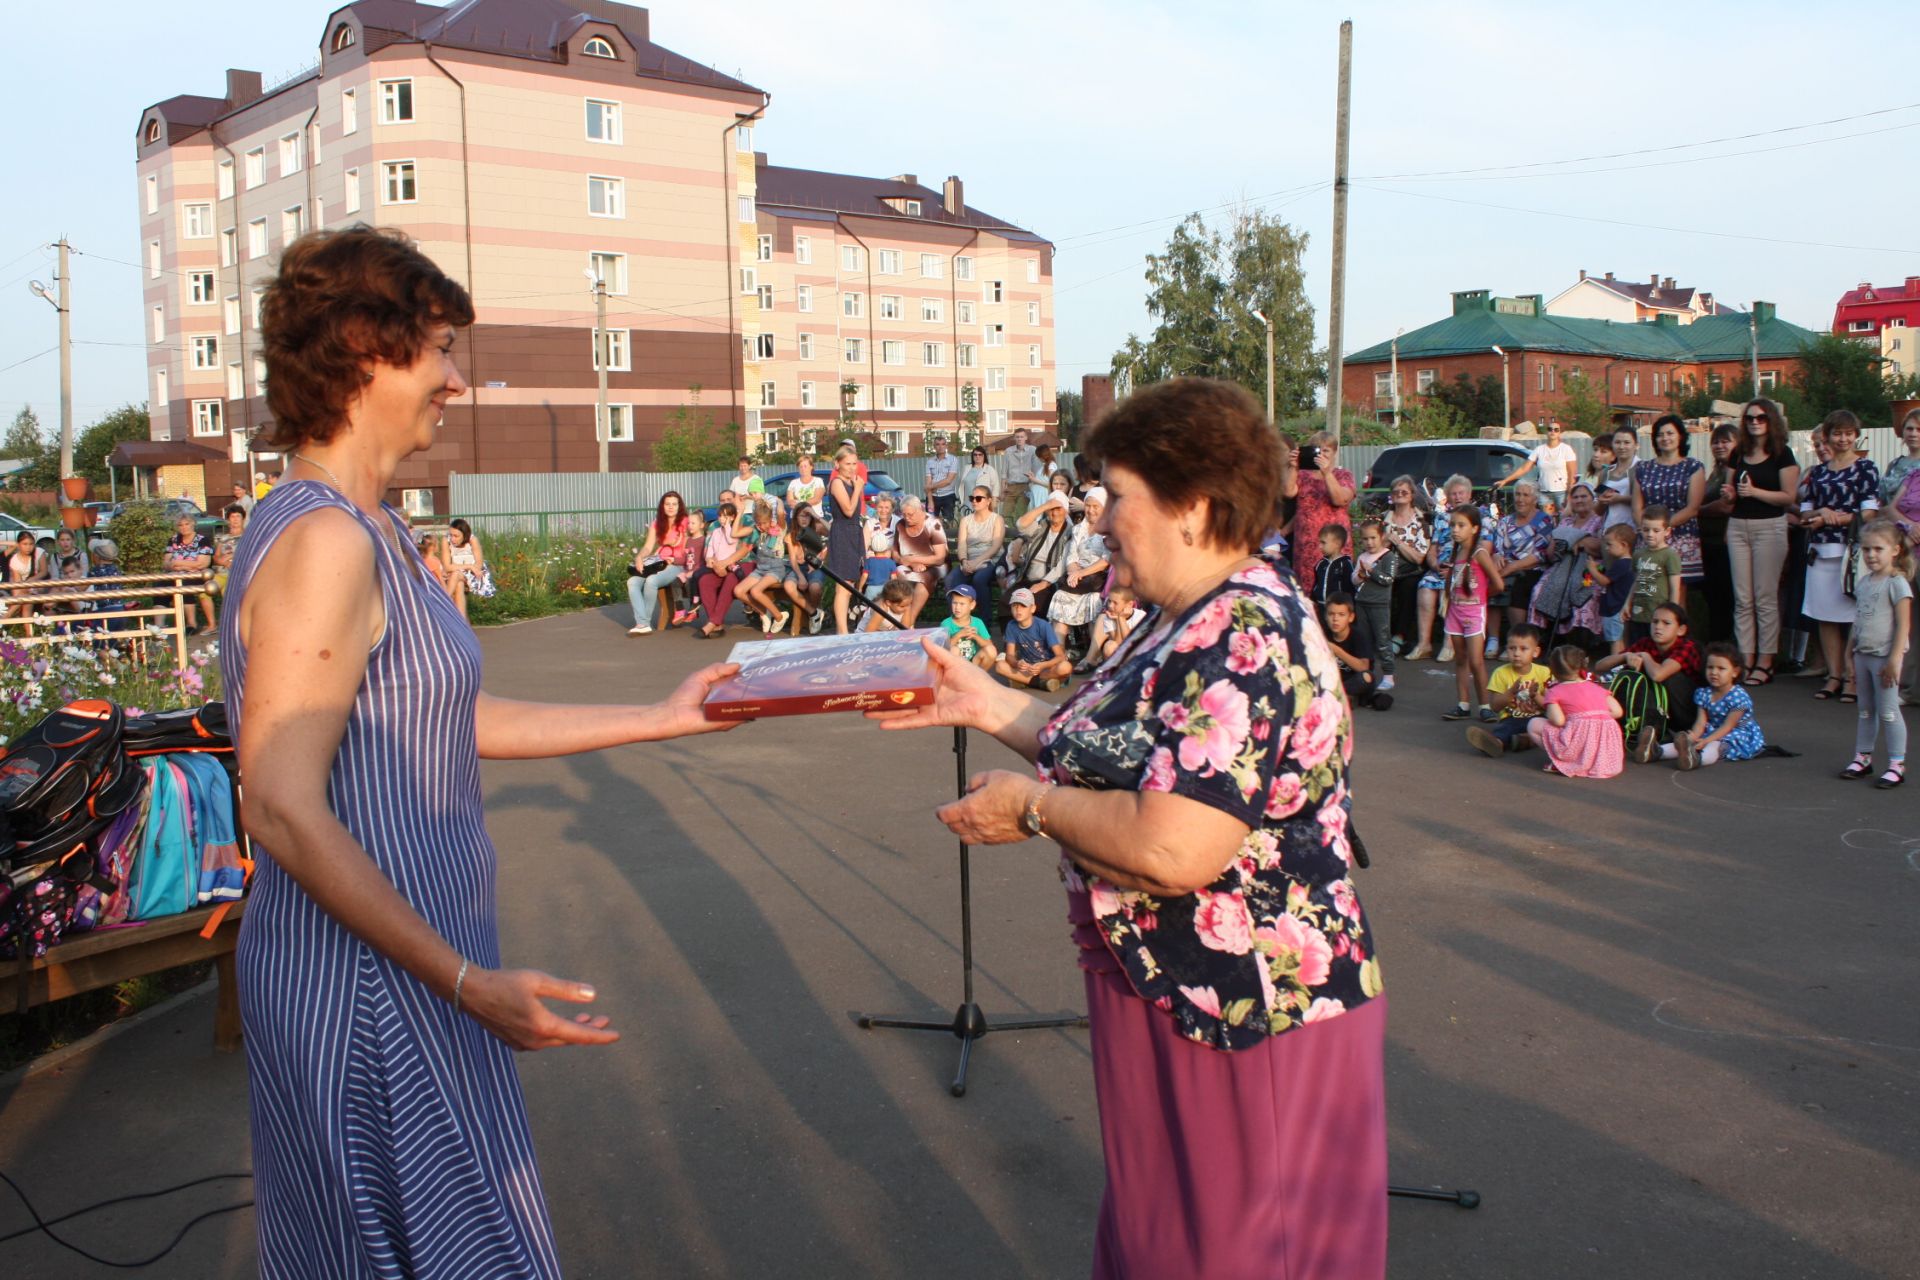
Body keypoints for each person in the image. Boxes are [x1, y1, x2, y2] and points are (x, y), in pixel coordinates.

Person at [228, 225, 742, 1278]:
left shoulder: (372, 531)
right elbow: (278, 802)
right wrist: (462, 979)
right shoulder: (325, 539)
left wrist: (664, 713)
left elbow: (444, 715)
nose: (455, 380)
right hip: (368, 985)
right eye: (440, 349)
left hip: (414, 965)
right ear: (368, 352)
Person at [868, 378, 1385, 1278]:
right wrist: (989, 703)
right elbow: (1131, 753)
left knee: (1219, 1253)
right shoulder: (1190, 612)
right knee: (1167, 1240)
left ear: (1190, 507)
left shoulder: (1241, 632)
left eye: (1116, 494)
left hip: (1239, 1005)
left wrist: (1029, 807)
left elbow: (1173, 844)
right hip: (1178, 988)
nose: (1100, 519)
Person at [1799, 409, 1882, 702]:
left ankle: (1853, 677)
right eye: (1838, 433)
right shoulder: (1818, 472)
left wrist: (1837, 518)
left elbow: (1870, 512)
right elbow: (1804, 512)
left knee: (1852, 617)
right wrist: (1820, 514)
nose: (1843, 439)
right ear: (1828, 436)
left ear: (1856, 435)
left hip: (1852, 552)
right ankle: (1833, 675)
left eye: (1849, 433)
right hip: (1820, 551)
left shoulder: (1866, 468)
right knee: (1825, 616)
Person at [1722, 398, 1799, 685]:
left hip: (1770, 526)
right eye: (1750, 418)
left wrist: (1755, 493)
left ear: (1771, 421)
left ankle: (1766, 661)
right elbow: (1730, 493)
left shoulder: (1783, 454)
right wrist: (1729, 494)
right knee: (1743, 598)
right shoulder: (1738, 453)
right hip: (1739, 526)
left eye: (1761, 418)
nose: (1755, 422)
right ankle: (1745, 659)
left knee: (1764, 597)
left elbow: (1788, 497)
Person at [1839, 521, 1912, 787]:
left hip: (1884, 658)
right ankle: (1863, 757)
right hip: (1862, 654)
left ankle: (1896, 764)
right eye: (1866, 549)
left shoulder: (1897, 583)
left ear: (1894, 550)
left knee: (1889, 711)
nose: (1871, 555)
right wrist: (1848, 654)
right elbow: (1857, 622)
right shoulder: (1865, 583)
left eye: (1878, 549)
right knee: (1865, 710)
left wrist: (1894, 659)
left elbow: (1904, 625)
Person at [1643, 643, 1766, 770]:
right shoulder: (1704, 693)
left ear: (1735, 672)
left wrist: (1706, 740)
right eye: (1710, 667)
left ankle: (1696, 759)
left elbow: (1728, 726)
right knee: (1688, 741)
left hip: (1736, 734)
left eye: (1721, 668)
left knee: (1713, 745)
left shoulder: (1738, 697)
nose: (1714, 672)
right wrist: (1694, 735)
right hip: (1712, 730)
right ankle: (1655, 751)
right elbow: (1701, 722)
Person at [1597, 602, 1701, 750]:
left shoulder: (1686, 646)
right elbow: (1600, 666)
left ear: (1681, 630)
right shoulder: (1646, 643)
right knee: (1631, 674)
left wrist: (1645, 656)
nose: (1658, 627)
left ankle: (1675, 731)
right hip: (1661, 707)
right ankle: (1642, 727)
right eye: (1655, 621)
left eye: (1666, 623)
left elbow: (1659, 675)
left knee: (1668, 678)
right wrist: (1626, 655)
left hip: (1686, 709)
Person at [1436, 503, 1504, 721]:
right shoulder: (1456, 551)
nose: (1455, 529)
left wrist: (1482, 598)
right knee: (1461, 660)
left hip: (1474, 614)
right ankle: (1463, 704)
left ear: (1474, 528)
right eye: (1453, 525)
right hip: (1455, 613)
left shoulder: (1479, 552)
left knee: (1477, 661)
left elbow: (1498, 584)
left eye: (1461, 525)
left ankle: (1485, 706)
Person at [1526, 645, 1624, 778]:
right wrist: (1594, 717)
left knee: (1533, 724)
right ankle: (1593, 763)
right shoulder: (1596, 687)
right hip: (1604, 747)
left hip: (1577, 742)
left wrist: (1576, 719)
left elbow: (1558, 720)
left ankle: (1560, 763)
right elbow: (1618, 712)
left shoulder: (1555, 691)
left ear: (1552, 670)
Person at [1631, 414, 1707, 581]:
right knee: (1649, 590)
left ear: (1680, 436)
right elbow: (1636, 507)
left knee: (1677, 593)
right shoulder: (1643, 468)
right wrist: (1649, 531)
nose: (1665, 438)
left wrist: (1661, 529)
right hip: (1648, 537)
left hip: (1681, 536)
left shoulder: (1693, 467)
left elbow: (1693, 508)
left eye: (1670, 433)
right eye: (1660, 434)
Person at [1408, 474, 1472, 662]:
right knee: (1426, 587)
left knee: (1454, 586)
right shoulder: (1442, 518)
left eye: (1461, 493)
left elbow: (1483, 548)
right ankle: (1424, 644)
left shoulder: (1478, 517)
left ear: (1469, 494)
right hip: (1440, 568)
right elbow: (1433, 549)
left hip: (1464, 568)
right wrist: (1435, 565)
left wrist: (1454, 568)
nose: (1457, 497)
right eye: (1453, 494)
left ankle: (1449, 644)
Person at [1282, 428, 1355, 588]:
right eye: (1317, 450)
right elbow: (1288, 492)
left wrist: (1327, 473)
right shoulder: (1303, 476)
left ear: (1335, 452)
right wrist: (1293, 467)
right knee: (1307, 592)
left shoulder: (1343, 475)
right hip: (1306, 547)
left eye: (1326, 450)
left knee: (1335, 592)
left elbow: (1339, 499)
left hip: (1334, 545)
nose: (1321, 454)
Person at [1466, 623, 1551, 757]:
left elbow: (1549, 706)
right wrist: (1510, 692)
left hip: (1538, 717)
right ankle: (1497, 744)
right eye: (1512, 648)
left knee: (1551, 726)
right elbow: (1495, 707)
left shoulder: (1544, 672)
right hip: (1513, 718)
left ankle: (1525, 740)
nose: (1517, 653)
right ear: (1507, 649)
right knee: (1505, 729)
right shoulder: (1500, 673)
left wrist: (1535, 695)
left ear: (1535, 652)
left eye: (1523, 649)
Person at [1490, 480, 1553, 658]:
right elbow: (1497, 547)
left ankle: (1516, 641)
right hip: (1505, 567)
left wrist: (1512, 567)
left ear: (1534, 499)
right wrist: (1496, 556)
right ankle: (1493, 640)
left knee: (1519, 584)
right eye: (1518, 494)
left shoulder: (1543, 520)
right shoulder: (1505, 521)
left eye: (1526, 495)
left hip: (1533, 568)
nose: (1520, 499)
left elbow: (1541, 554)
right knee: (1491, 582)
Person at [1047, 488, 1110, 657]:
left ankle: (1093, 656)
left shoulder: (1109, 529)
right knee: (1060, 596)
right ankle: (1059, 655)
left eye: (1095, 506)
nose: (1090, 510)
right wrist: (1074, 572)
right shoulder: (1078, 529)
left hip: (1097, 580)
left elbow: (1106, 560)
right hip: (1078, 579)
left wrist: (1082, 573)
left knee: (1095, 601)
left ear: (1104, 506)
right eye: (1088, 505)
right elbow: (1071, 555)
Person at [1696, 423, 1740, 644]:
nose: (1720, 445)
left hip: (1725, 541)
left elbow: (1726, 506)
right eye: (1716, 441)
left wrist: (1697, 511)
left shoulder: (1734, 471)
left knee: (1725, 597)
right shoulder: (1716, 471)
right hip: (1708, 542)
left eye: (1726, 441)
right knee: (1714, 598)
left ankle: (1725, 645)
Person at [1379, 476, 1430, 660]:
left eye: (1404, 492)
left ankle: (1399, 636)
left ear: (1411, 496)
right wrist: (1387, 535)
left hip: (1410, 570)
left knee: (1408, 587)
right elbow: (1377, 549)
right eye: (1396, 492)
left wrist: (1398, 542)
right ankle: (1382, 635)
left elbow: (1418, 557)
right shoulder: (1385, 519)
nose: (1399, 495)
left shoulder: (1420, 521)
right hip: (1387, 567)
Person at [626, 492, 689, 635]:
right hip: (658, 563)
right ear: (662, 506)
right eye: (667, 504)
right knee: (632, 582)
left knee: (651, 581)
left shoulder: (685, 522)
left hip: (677, 563)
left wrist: (673, 543)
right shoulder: (657, 523)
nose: (671, 507)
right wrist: (639, 557)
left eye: (674, 504)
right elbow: (648, 546)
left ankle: (643, 623)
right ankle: (643, 622)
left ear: (679, 506)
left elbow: (687, 547)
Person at [945, 484, 1006, 629]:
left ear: (988, 501)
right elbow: (962, 545)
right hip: (969, 561)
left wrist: (977, 562)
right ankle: (957, 622)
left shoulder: (996, 519)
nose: (974, 501)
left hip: (990, 560)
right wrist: (964, 561)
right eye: (972, 498)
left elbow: (996, 546)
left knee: (979, 579)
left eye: (979, 498)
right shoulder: (966, 520)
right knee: (950, 580)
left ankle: (984, 624)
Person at [1008, 491, 1074, 619]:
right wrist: (1044, 506)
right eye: (1051, 509)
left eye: (1058, 509)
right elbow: (1020, 525)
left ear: (1066, 511)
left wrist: (1043, 584)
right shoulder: (1041, 526)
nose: (1054, 513)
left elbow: (1061, 566)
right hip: (1027, 579)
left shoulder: (1070, 533)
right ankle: (1012, 637)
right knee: (1007, 601)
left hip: (1049, 583)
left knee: (1033, 605)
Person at [696, 500, 754, 639]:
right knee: (704, 581)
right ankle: (717, 624)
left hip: (738, 565)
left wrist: (723, 564)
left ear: (733, 516)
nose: (722, 518)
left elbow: (737, 544)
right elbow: (709, 549)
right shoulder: (715, 529)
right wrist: (712, 561)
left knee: (730, 579)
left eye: (726, 516)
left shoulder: (745, 524)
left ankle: (713, 622)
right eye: (721, 515)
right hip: (719, 566)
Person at [1352, 520, 1399, 695]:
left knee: (1382, 639)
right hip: (1361, 603)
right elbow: (1354, 581)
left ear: (1382, 537)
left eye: (1373, 538)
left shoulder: (1389, 557)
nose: (1369, 542)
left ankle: (1388, 675)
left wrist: (1372, 571)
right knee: (1364, 640)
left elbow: (1388, 580)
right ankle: (1367, 671)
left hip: (1379, 605)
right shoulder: (1362, 557)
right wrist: (1360, 576)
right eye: (1365, 539)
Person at [996, 585, 1072, 690]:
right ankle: (1042, 683)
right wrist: (1017, 663)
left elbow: (1060, 656)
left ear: (1033, 608)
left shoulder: (1043, 625)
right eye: (1015, 606)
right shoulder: (1011, 625)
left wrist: (1043, 665)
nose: (1018, 610)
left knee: (1065, 667)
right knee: (1000, 666)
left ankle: (1024, 681)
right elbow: (1009, 655)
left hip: (1047, 667)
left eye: (1023, 606)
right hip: (1027, 668)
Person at [738, 499, 795, 634]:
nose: (762, 526)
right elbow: (737, 534)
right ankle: (763, 613)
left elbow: (780, 513)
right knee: (739, 591)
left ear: (770, 520)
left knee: (755, 591)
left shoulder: (779, 529)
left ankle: (780, 616)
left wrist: (779, 502)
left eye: (764, 523)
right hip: (760, 569)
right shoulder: (758, 532)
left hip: (775, 569)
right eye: (759, 523)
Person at [892, 495, 949, 629]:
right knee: (898, 573)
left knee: (924, 579)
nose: (907, 518)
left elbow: (940, 557)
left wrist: (913, 559)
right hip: (909, 565)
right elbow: (895, 553)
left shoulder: (933, 524)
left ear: (920, 510)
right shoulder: (900, 525)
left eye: (910, 514)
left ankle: (908, 621)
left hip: (936, 565)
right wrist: (910, 563)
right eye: (904, 514)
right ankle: (898, 617)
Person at [826, 446, 867, 634]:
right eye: (847, 464)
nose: (852, 468)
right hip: (842, 533)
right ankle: (842, 631)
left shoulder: (851, 482)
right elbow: (849, 511)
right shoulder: (837, 483)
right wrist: (858, 488)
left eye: (854, 464)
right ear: (837, 464)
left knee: (850, 583)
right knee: (843, 585)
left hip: (853, 533)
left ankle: (843, 629)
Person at [1628, 506, 1683, 645]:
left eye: (1656, 530)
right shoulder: (1638, 554)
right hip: (1638, 614)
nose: (1650, 534)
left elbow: (1675, 588)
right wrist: (1627, 603)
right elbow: (1636, 581)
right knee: (1636, 649)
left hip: (1658, 618)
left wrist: (1672, 615)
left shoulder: (1670, 555)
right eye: (1646, 530)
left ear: (1667, 531)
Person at [1322, 593, 1386, 711]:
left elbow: (1363, 667)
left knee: (1366, 677)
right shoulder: (1323, 634)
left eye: (1341, 615)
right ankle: (1342, 698)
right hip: (1334, 680)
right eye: (1331, 614)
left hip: (1353, 681)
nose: (1335, 619)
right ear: (1326, 616)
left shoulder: (1358, 636)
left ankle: (1338, 697)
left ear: (1350, 617)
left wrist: (1337, 650)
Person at [1502, 420, 1578, 512]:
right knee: (1546, 521)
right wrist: (1505, 480)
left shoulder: (1566, 449)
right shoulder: (1539, 449)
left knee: (1563, 520)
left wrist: (1569, 492)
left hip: (1561, 492)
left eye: (1556, 429)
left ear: (1559, 433)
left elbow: (1571, 473)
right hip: (1544, 493)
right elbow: (1524, 468)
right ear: (1547, 432)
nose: (1553, 432)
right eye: (1550, 429)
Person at [1587, 524, 1638, 655]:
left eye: (1610, 544)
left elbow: (1604, 581)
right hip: (1622, 608)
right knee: (1622, 640)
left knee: (1615, 641)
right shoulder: (1629, 563)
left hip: (1615, 609)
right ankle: (1622, 666)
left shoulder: (1622, 563)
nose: (1606, 548)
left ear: (1624, 545)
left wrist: (1592, 569)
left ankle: (1615, 668)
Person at [166, 511, 218, 634]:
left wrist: (178, 562)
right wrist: (177, 566)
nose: (184, 527)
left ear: (193, 524)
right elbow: (166, 563)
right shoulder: (173, 540)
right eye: (180, 525)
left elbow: (202, 564)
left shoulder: (202, 540)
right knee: (159, 585)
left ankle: (191, 623)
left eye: (186, 524)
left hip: (198, 575)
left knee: (185, 584)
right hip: (177, 573)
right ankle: (160, 627)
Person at [786, 502, 829, 632]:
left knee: (815, 587)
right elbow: (793, 559)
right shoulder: (791, 535)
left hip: (815, 566)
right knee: (789, 586)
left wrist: (816, 515)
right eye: (801, 516)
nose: (804, 519)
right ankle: (814, 613)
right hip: (799, 567)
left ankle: (814, 613)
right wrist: (800, 576)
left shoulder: (817, 528)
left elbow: (833, 531)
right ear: (796, 518)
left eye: (807, 516)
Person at [1082, 585, 1143, 672]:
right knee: (1109, 646)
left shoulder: (1140, 616)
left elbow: (1130, 642)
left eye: (1115, 603)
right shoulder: (1109, 617)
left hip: (1136, 653)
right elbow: (1117, 642)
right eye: (1109, 601)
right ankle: (1112, 673)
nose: (1110, 605)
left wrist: (1121, 619)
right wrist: (1118, 620)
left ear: (1129, 604)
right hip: (1121, 653)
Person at [941, 582, 996, 668]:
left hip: (973, 664)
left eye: (962, 604)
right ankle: (956, 679)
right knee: (954, 650)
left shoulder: (977, 622)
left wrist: (975, 636)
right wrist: (959, 635)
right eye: (954, 603)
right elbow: (942, 649)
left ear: (972, 605)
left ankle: (978, 678)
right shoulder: (946, 623)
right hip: (955, 666)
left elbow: (989, 644)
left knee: (991, 650)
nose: (957, 607)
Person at [859, 492, 900, 602]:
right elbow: (864, 545)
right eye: (880, 507)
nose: (883, 510)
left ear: (892, 509)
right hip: (872, 560)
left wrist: (887, 554)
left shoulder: (898, 523)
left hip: (892, 560)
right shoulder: (870, 523)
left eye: (887, 507)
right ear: (876, 507)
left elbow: (898, 544)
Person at [672, 509, 709, 628]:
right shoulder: (688, 540)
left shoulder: (704, 540)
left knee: (689, 583)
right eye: (688, 523)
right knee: (675, 583)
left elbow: (704, 560)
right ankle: (680, 610)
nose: (690, 526)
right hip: (686, 572)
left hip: (698, 573)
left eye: (693, 523)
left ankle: (694, 610)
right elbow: (684, 558)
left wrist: (693, 571)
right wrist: (673, 560)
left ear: (702, 525)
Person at [1596, 427, 1638, 533]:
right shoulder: (1605, 472)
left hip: (1633, 530)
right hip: (1609, 530)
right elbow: (1598, 511)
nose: (1622, 447)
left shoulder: (1642, 468)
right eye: (1617, 442)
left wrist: (1620, 499)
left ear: (1636, 445)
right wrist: (1602, 501)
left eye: (1627, 442)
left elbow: (1648, 500)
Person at [1310, 524, 1355, 621]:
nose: (1320, 546)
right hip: (1321, 606)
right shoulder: (1321, 564)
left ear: (1337, 544)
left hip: (1337, 610)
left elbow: (1349, 587)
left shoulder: (1345, 564)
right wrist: (1312, 598)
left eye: (1323, 543)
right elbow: (1317, 583)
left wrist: (1350, 606)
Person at [1001, 428, 1038, 521]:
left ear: (1026, 437)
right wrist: (1002, 491)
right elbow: (1004, 473)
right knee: (1006, 513)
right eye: (1017, 437)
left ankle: (1019, 534)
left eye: (1021, 437)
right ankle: (1007, 534)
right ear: (1014, 438)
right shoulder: (1008, 451)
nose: (1019, 439)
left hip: (1025, 486)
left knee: (1021, 514)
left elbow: (1036, 470)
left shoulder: (1032, 450)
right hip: (1011, 487)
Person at [212, 504, 247, 596]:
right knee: (206, 592)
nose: (235, 519)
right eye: (232, 516)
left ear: (243, 519)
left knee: (229, 593)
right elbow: (216, 557)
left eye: (238, 516)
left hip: (241, 573)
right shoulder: (223, 538)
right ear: (228, 520)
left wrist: (230, 556)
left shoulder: (248, 536)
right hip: (223, 572)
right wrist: (224, 562)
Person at [959, 445, 1001, 512]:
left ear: (984, 456)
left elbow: (996, 486)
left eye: (980, 454)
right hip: (969, 503)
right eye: (975, 455)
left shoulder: (989, 469)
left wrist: (994, 501)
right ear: (972, 456)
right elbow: (961, 485)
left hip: (983, 503)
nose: (977, 456)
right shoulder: (966, 468)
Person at [785, 454, 826, 521]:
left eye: (805, 466)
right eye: (800, 466)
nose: (803, 469)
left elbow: (816, 499)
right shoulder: (793, 483)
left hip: (814, 517)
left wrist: (799, 504)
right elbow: (790, 501)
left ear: (811, 467)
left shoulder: (818, 481)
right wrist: (802, 504)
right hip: (797, 518)